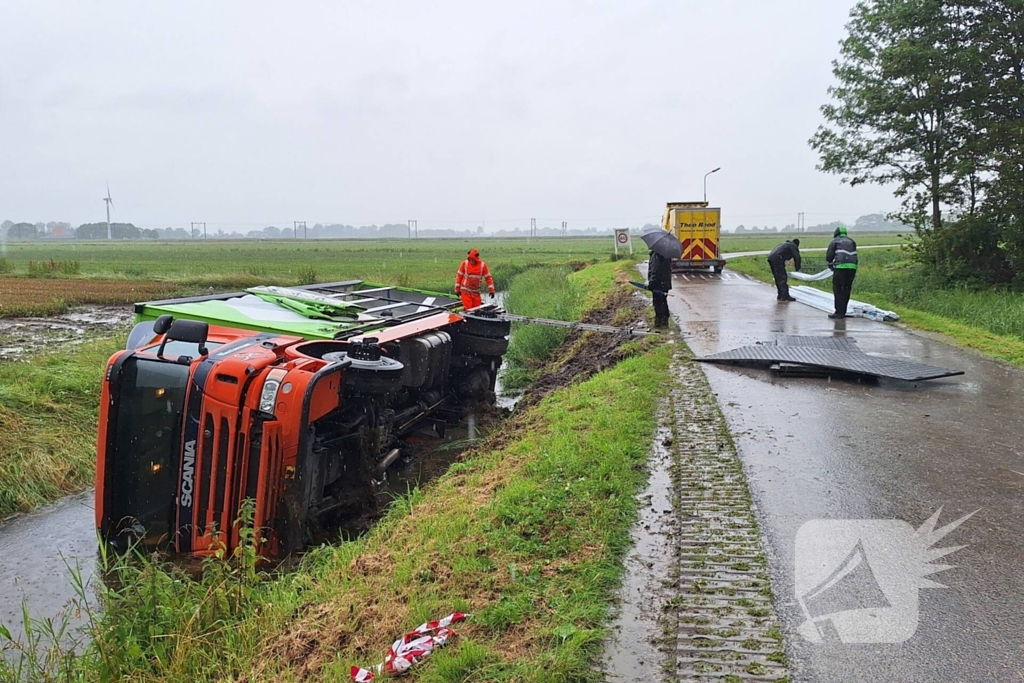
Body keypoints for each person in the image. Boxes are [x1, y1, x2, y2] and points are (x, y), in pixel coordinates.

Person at [826, 225, 858, 319]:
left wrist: (831, 264)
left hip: (840, 268)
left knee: (838, 289)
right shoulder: (852, 241)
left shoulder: (835, 241)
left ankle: (838, 312)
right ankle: (843, 312)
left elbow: (829, 256)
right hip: (852, 268)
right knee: (846, 289)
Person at [647, 249, 672, 329]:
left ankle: (659, 322)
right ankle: (664, 321)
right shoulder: (667, 254)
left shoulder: (655, 255)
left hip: (658, 283)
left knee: (657, 303)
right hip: (665, 283)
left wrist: (651, 283)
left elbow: (655, 270)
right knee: (663, 301)